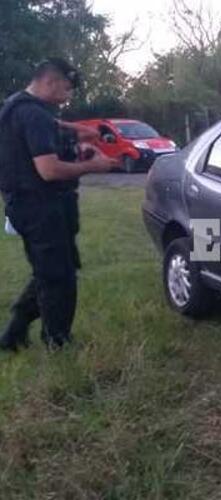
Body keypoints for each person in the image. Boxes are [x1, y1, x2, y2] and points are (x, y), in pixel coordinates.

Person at [0, 58, 119, 351]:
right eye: (65, 89)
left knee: (54, 268)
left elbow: (54, 125)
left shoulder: (18, 105)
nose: (68, 96)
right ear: (49, 82)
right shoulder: (33, 115)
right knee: (57, 278)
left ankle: (13, 334)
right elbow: (49, 170)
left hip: (32, 205)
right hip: (39, 206)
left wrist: (82, 133)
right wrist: (95, 166)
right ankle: (58, 342)